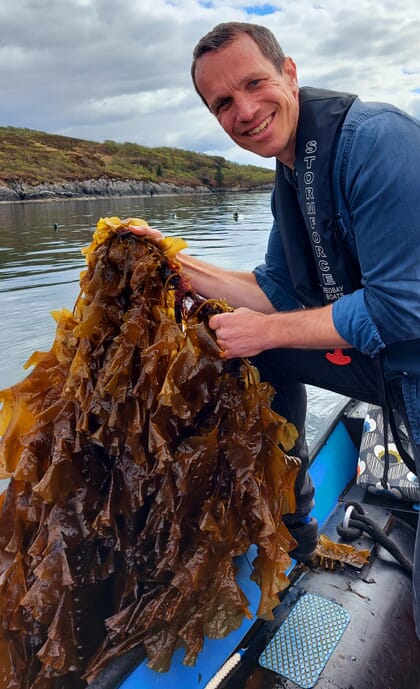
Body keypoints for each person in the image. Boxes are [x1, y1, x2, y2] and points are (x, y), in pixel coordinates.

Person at [129, 21, 420, 636]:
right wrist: (176, 265)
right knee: (254, 355)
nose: (245, 111)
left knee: (265, 342)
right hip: (383, 361)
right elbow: (276, 291)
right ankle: (295, 536)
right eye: (223, 104)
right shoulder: (292, 175)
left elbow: (403, 309)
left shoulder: (376, 142)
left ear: (290, 72)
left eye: (254, 83)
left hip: (411, 358)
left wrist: (269, 331)